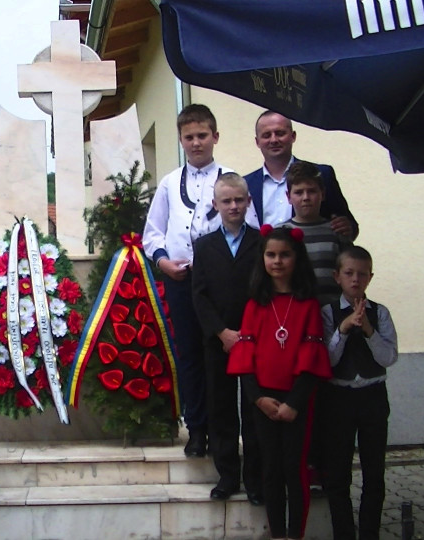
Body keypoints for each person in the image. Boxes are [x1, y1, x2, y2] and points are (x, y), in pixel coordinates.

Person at [143, 103, 259, 456]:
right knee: (190, 355)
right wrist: (163, 262)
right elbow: (152, 232)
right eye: (189, 137)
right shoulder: (168, 183)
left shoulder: (231, 179)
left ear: (215, 137)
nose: (196, 143)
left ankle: (233, 432)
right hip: (181, 280)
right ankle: (197, 429)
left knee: (221, 357)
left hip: (222, 285)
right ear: (181, 140)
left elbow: (251, 229)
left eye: (202, 136)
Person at [228, 226, 332, 540]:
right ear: (262, 259)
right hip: (264, 399)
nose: (277, 261)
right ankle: (277, 534)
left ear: (296, 258)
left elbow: (312, 358)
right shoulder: (254, 305)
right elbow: (245, 358)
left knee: (294, 468)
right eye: (271, 255)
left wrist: (294, 403)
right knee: (271, 468)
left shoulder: (308, 305)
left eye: (284, 255)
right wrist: (258, 398)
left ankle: (295, 534)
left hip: (296, 401)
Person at [191, 173, 262, 504]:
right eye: (226, 201)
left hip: (254, 340)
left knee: (254, 409)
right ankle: (228, 477)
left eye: (238, 200)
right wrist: (221, 332)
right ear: (215, 205)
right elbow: (199, 295)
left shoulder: (262, 244)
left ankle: (256, 480)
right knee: (221, 409)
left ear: (248, 202)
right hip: (218, 341)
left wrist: (248, 333)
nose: (233, 206)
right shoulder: (204, 246)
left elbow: (265, 293)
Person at [319, 246, 398, 540]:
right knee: (337, 473)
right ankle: (343, 533)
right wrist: (343, 328)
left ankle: (369, 533)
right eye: (349, 273)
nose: (355, 279)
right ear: (337, 276)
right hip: (338, 399)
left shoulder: (380, 313)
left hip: (372, 397)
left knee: (374, 472)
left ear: (370, 278)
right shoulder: (328, 313)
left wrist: (368, 330)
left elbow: (389, 357)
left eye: (362, 274)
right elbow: (327, 361)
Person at [244, 110, 359, 239]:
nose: (274, 140)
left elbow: (350, 227)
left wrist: (347, 228)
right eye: (266, 135)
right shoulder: (246, 185)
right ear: (257, 142)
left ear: (293, 136)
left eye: (280, 133)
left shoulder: (321, 175)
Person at [279, 161, 351, 306]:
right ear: (288, 197)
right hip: (294, 311)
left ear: (322, 194)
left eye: (311, 191)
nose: (306, 197)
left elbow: (349, 273)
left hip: (332, 312)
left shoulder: (337, 231)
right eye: (299, 192)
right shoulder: (280, 233)